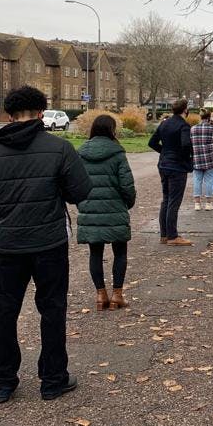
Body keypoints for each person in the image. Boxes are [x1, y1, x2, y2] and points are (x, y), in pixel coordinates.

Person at [0, 85, 92, 403]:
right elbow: (79, 191)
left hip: (8, 244)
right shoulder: (59, 149)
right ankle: (53, 379)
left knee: (5, 310)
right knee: (52, 309)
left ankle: (2, 381)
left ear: (8, 115)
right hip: (49, 243)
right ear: (42, 114)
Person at [77, 115, 136, 311]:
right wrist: (127, 203)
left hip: (90, 208)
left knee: (95, 253)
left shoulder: (81, 153)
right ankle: (117, 295)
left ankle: (100, 295)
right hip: (115, 208)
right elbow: (127, 185)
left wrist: (83, 204)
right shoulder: (117, 153)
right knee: (120, 252)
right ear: (112, 130)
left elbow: (75, 184)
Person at [148, 98, 194, 246]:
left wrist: (165, 152)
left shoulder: (164, 123)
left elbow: (152, 142)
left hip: (164, 164)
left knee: (166, 199)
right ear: (185, 110)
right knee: (174, 201)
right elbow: (186, 144)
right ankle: (173, 236)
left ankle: (165, 234)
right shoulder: (183, 126)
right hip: (177, 166)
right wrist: (186, 158)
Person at [191, 109, 213, 209]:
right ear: (209, 117)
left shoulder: (193, 128)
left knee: (197, 180)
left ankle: (197, 204)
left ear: (200, 117)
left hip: (197, 157)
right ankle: (208, 203)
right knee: (209, 180)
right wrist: (212, 123)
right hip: (210, 157)